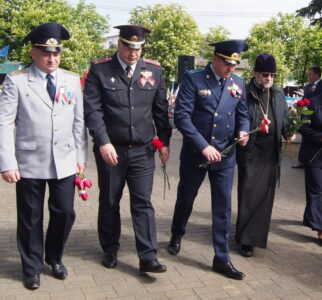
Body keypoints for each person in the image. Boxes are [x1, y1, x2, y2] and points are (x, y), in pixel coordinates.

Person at [0, 22, 88, 290]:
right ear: (33, 53)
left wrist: (80, 156)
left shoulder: (71, 80)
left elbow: (78, 121)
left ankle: (54, 256)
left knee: (64, 212)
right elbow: (4, 123)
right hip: (28, 162)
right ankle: (32, 267)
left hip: (64, 160)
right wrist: (7, 163)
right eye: (46, 53)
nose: (52, 59)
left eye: (56, 53)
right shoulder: (16, 80)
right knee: (30, 218)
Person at [84, 25, 171, 273]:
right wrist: (103, 141)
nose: (133, 53)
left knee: (143, 202)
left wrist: (163, 141)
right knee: (110, 201)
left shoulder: (153, 70)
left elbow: (161, 110)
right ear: (119, 45)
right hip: (112, 151)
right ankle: (110, 249)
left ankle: (148, 256)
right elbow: (93, 110)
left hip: (143, 151)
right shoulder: (100, 70)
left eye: (137, 48)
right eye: (128, 47)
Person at [167, 40, 249, 280]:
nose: (231, 68)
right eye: (227, 64)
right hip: (197, 154)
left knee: (223, 207)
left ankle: (221, 258)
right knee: (186, 198)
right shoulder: (194, 79)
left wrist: (243, 130)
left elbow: (242, 115)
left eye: (235, 64)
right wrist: (203, 146)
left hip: (225, 156)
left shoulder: (238, 83)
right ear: (216, 59)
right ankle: (176, 233)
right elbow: (182, 117)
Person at [235, 53, 289, 257]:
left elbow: (282, 117)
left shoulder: (278, 93)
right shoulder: (245, 93)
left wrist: (288, 132)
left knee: (265, 197)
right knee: (248, 195)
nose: (268, 78)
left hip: (271, 153)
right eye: (264, 74)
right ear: (255, 73)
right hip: (251, 151)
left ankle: (255, 237)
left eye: (272, 75)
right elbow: (238, 119)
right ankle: (245, 240)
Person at [298, 93, 322, 241]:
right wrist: (320, 137)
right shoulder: (313, 103)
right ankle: (320, 227)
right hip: (315, 156)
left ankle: (309, 217)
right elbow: (302, 126)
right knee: (317, 190)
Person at [292, 66, 322, 168]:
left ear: (317, 75)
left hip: (317, 117)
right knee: (305, 138)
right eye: (308, 74)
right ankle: (302, 160)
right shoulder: (307, 87)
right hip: (306, 115)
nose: (309, 76)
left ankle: (313, 161)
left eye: (311, 74)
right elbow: (304, 100)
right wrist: (298, 107)